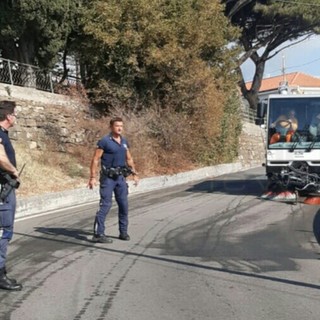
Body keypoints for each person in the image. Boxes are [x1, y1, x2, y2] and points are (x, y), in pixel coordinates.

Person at [88, 117, 139, 243]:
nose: (120, 128)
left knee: (123, 205)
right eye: (117, 126)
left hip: (120, 178)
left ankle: (123, 232)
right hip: (108, 179)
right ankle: (98, 234)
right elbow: (95, 159)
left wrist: (134, 173)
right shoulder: (104, 141)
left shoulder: (124, 141)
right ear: (111, 127)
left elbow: (129, 158)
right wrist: (92, 177)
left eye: (121, 125)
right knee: (105, 205)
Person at [0, 100, 22, 291]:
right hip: (2, 192)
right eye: (14, 114)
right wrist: (13, 171)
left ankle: (2, 272)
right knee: (3, 232)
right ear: (8, 116)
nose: (15, 117)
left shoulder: (3, 134)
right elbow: (0, 156)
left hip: (5, 190)